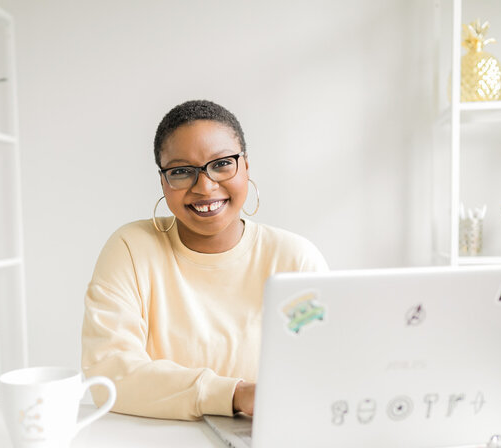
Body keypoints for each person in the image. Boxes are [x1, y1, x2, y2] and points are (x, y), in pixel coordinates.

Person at [81, 100, 328, 421]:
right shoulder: (131, 249)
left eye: (222, 163)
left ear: (246, 167)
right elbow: (109, 378)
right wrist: (235, 395)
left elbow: (323, 371)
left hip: (268, 441)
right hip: (155, 447)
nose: (205, 186)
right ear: (163, 181)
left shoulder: (294, 258)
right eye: (181, 171)